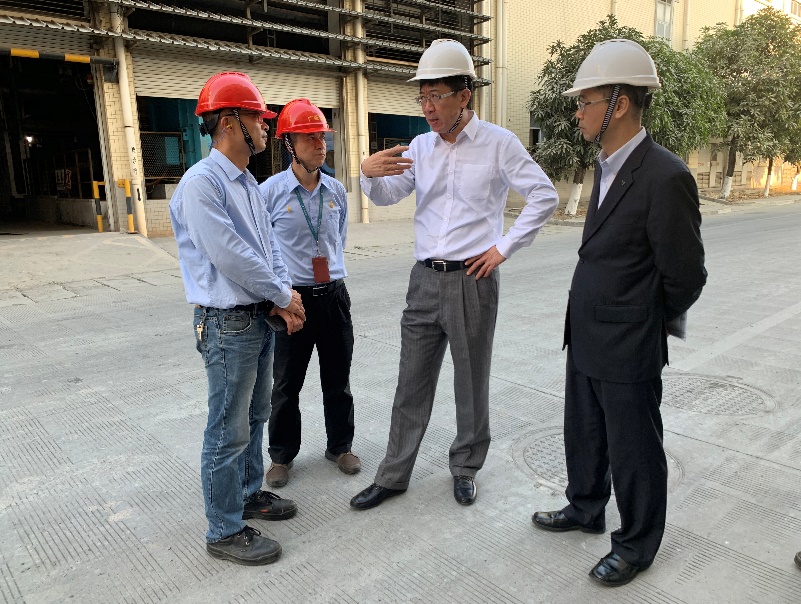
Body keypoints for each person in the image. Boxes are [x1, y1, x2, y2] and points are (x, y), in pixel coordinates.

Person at [350, 39, 558, 510]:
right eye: (422, 97)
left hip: (472, 280)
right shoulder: (421, 147)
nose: (427, 107)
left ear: (465, 95)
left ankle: (465, 467)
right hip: (424, 280)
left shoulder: (499, 144)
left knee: (471, 381)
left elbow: (544, 195)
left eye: (436, 96)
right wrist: (368, 174)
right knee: (411, 382)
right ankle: (393, 475)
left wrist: (503, 248)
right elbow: (387, 196)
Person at [530, 40, 707, 587]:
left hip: (629, 342)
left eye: (585, 102)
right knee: (584, 432)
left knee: (634, 449)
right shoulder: (605, 167)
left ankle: (636, 543)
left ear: (620, 104)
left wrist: (644, 321)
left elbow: (686, 276)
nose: (578, 113)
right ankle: (586, 506)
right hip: (586, 333)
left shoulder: (664, 175)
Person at [169, 71, 306, 566]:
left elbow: (267, 247)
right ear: (228, 122)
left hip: (256, 318)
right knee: (227, 429)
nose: (266, 126)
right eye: (257, 117)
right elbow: (230, 255)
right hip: (228, 325)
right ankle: (223, 529)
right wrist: (282, 294)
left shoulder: (248, 182)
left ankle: (248, 494)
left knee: (254, 416)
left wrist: (283, 294)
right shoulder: (201, 184)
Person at [259, 99, 360, 487]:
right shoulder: (270, 193)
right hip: (293, 301)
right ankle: (281, 456)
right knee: (286, 385)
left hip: (333, 296)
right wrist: (279, 296)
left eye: (322, 136)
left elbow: (339, 240)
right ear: (289, 144)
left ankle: (340, 446)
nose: (320, 144)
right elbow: (262, 249)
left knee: (338, 379)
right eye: (310, 137)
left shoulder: (336, 190)